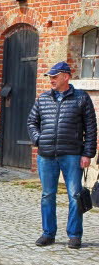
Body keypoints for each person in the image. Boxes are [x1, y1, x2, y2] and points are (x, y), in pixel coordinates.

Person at [27, 61, 97, 249]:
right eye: (50, 76)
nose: (51, 80)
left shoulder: (82, 98)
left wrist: (88, 154)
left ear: (66, 76)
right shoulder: (43, 99)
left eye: (55, 76)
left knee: (75, 195)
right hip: (46, 155)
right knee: (47, 195)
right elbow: (31, 122)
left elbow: (91, 128)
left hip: (72, 155)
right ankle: (48, 233)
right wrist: (39, 139)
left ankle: (74, 235)